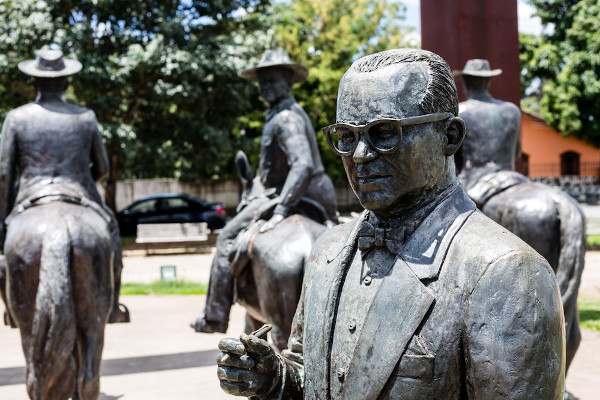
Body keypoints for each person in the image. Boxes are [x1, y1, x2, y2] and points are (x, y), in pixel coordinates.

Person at [216, 49, 565, 399]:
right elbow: (311, 376)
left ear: (450, 136)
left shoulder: (507, 273)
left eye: (384, 133)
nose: (360, 155)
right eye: (347, 136)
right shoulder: (327, 251)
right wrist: (274, 379)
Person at [194, 50, 337, 333]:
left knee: (225, 238)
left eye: (272, 80)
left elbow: (303, 164)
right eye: (262, 81)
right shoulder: (286, 113)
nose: (265, 86)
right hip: (310, 192)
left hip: (295, 194)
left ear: (288, 82)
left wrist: (282, 208)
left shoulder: (285, 118)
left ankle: (215, 314)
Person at [0, 49, 129, 324]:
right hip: (79, 195)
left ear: (34, 82)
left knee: (5, 253)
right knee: (112, 237)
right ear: (66, 82)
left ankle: (13, 310)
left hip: (30, 198)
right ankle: (113, 306)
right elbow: (103, 168)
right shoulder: (86, 117)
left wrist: (2, 219)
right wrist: (83, 176)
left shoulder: (16, 118)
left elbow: (4, 174)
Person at [453, 59, 524, 205]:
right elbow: (516, 153)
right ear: (488, 82)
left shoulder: (460, 112)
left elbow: (451, 157)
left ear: (466, 83)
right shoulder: (512, 111)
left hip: (472, 187)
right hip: (511, 180)